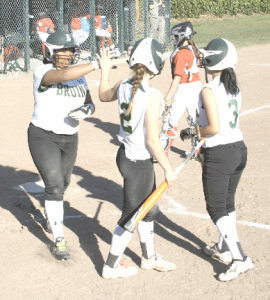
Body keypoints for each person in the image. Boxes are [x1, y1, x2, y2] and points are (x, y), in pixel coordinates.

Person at [98, 38, 176, 279]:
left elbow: (102, 95)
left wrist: (104, 71)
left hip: (125, 156)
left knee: (146, 209)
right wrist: (168, 168)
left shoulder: (124, 84)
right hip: (138, 162)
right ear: (155, 65)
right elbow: (152, 141)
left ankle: (149, 257)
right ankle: (111, 266)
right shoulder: (152, 95)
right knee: (132, 216)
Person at [180, 38, 254, 281]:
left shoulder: (209, 89)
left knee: (216, 207)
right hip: (237, 149)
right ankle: (223, 248)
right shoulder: (234, 86)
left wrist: (192, 132)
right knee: (227, 203)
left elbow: (213, 127)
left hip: (220, 152)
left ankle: (239, 258)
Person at [27, 31, 100, 260]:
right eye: (62, 51)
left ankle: (51, 214)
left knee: (64, 181)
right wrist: (97, 63)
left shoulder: (79, 76)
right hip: (43, 135)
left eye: (70, 51)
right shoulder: (42, 72)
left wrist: (86, 110)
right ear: (50, 52)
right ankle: (59, 238)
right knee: (55, 184)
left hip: (70, 136)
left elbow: (89, 102)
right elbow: (63, 76)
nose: (67, 55)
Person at [159, 21, 202, 158]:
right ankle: (197, 151)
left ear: (183, 36)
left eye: (177, 37)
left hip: (184, 89)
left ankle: (163, 151)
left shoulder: (182, 53)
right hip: (197, 87)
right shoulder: (192, 49)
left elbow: (177, 79)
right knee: (196, 120)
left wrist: (167, 99)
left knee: (170, 119)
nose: (175, 40)